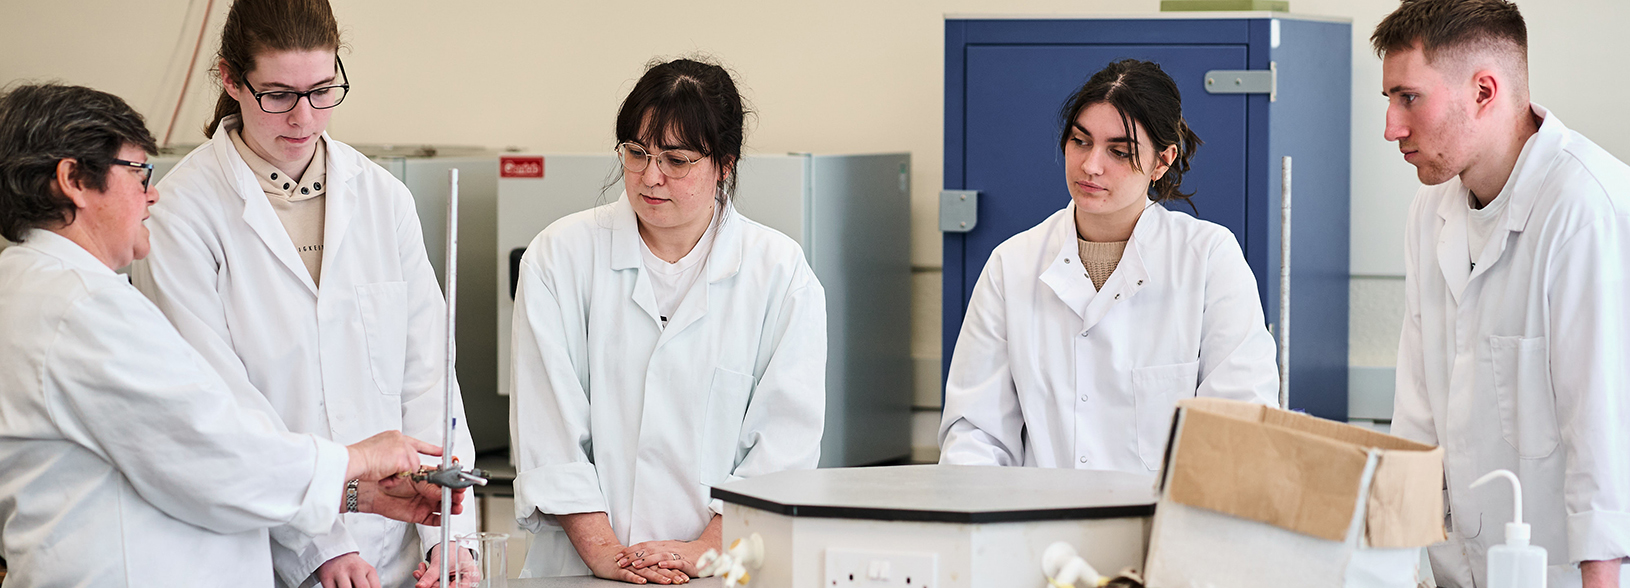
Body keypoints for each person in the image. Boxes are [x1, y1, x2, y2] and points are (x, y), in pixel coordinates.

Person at [0, 82, 464, 587]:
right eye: (138, 173)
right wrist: (359, 459)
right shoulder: (83, 309)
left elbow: (185, 459)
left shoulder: (36, 287)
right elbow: (215, 455)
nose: (152, 193)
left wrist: (358, 494)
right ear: (73, 180)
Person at [126, 0, 477, 586]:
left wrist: (448, 533)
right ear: (231, 79)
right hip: (263, 549)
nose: (304, 118)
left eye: (322, 90)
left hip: (396, 554)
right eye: (279, 95)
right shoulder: (181, 212)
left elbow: (429, 375)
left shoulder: (383, 198)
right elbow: (221, 403)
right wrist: (321, 543)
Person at [508, 57, 826, 584]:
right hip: (581, 569)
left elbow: (783, 446)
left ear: (724, 164)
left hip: (725, 568)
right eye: (636, 153)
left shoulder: (778, 272)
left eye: (676, 160)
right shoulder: (558, 258)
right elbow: (549, 432)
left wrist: (707, 549)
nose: (650, 177)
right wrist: (608, 555)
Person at [1373, 1, 1630, 586]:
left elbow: (1603, 429)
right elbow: (1416, 412)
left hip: (1568, 573)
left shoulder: (1586, 208)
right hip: (1458, 569)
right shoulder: (1430, 210)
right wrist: (1388, 564)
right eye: (1388, 100)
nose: (1392, 125)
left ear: (1484, 90)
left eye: (1408, 97)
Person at [938, 59, 1279, 472]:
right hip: (1039, 526)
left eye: (1119, 151)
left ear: (1162, 161)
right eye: (1081, 141)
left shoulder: (1208, 258)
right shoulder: (1013, 265)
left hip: (1163, 527)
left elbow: (1238, 428)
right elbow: (976, 433)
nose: (1091, 165)